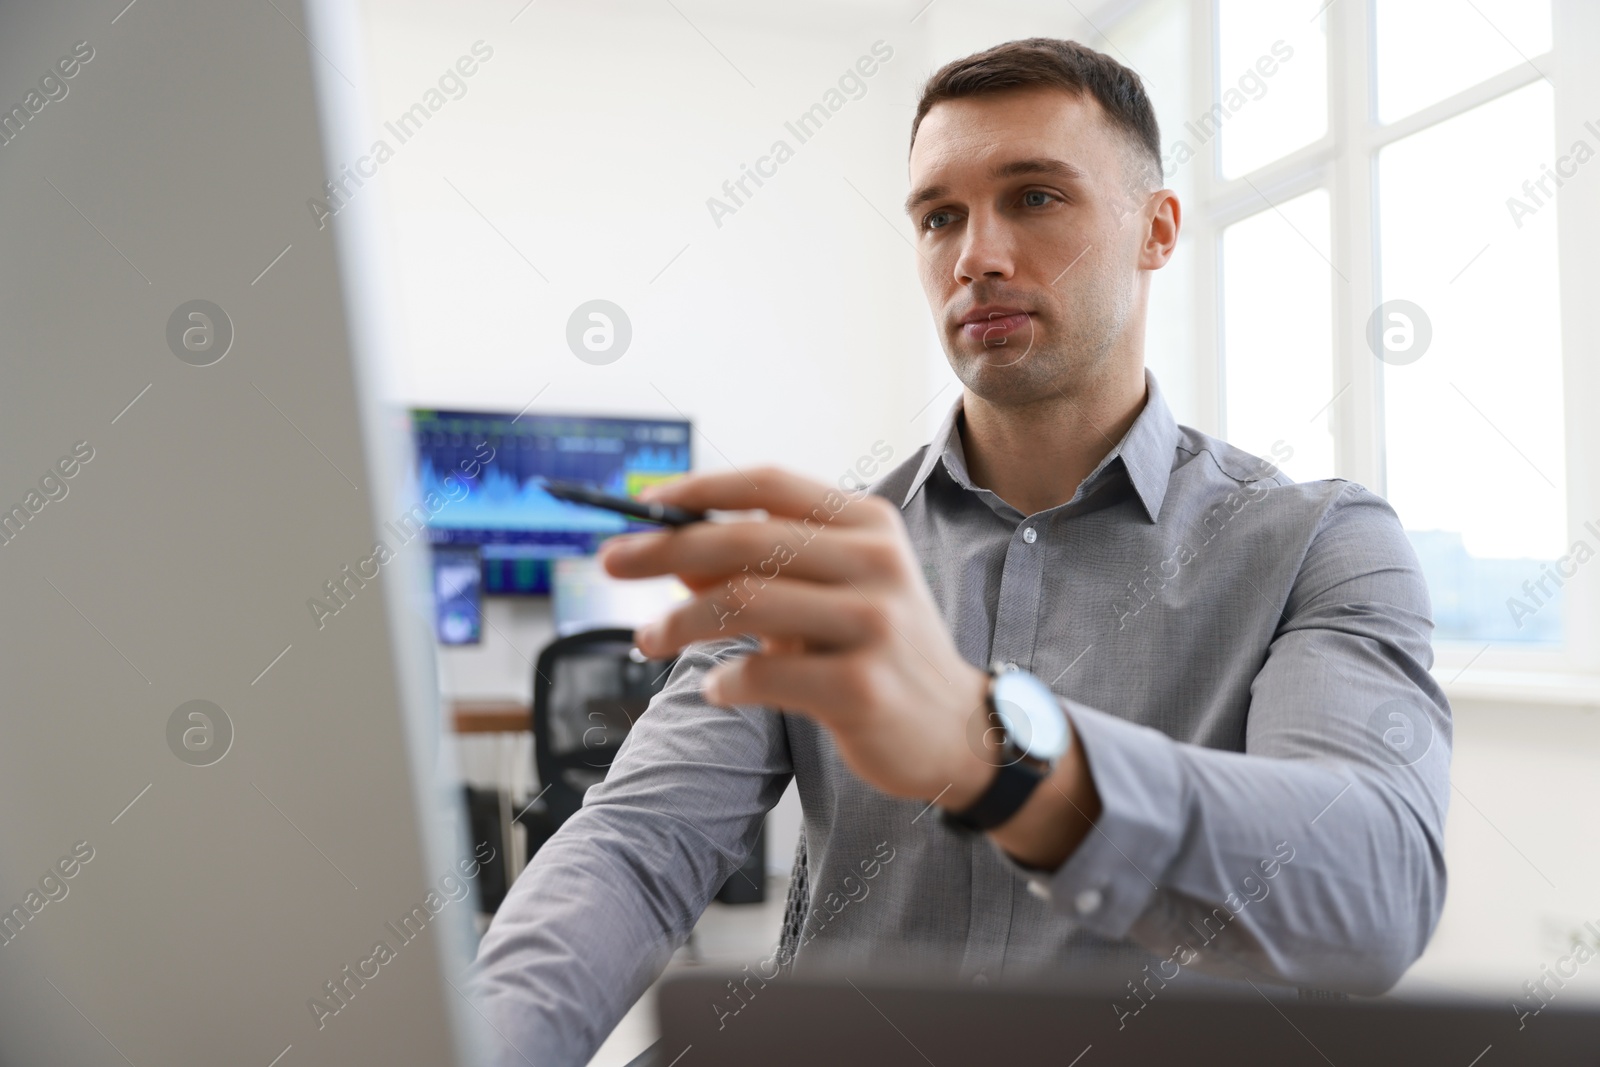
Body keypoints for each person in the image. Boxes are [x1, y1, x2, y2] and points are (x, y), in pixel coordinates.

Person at [471, 37, 1450, 1065]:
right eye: (940, 215)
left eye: (1033, 197)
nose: (975, 253)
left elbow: (1370, 884)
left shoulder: (1319, 545)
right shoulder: (821, 557)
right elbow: (636, 849)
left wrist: (998, 752)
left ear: (1156, 229)